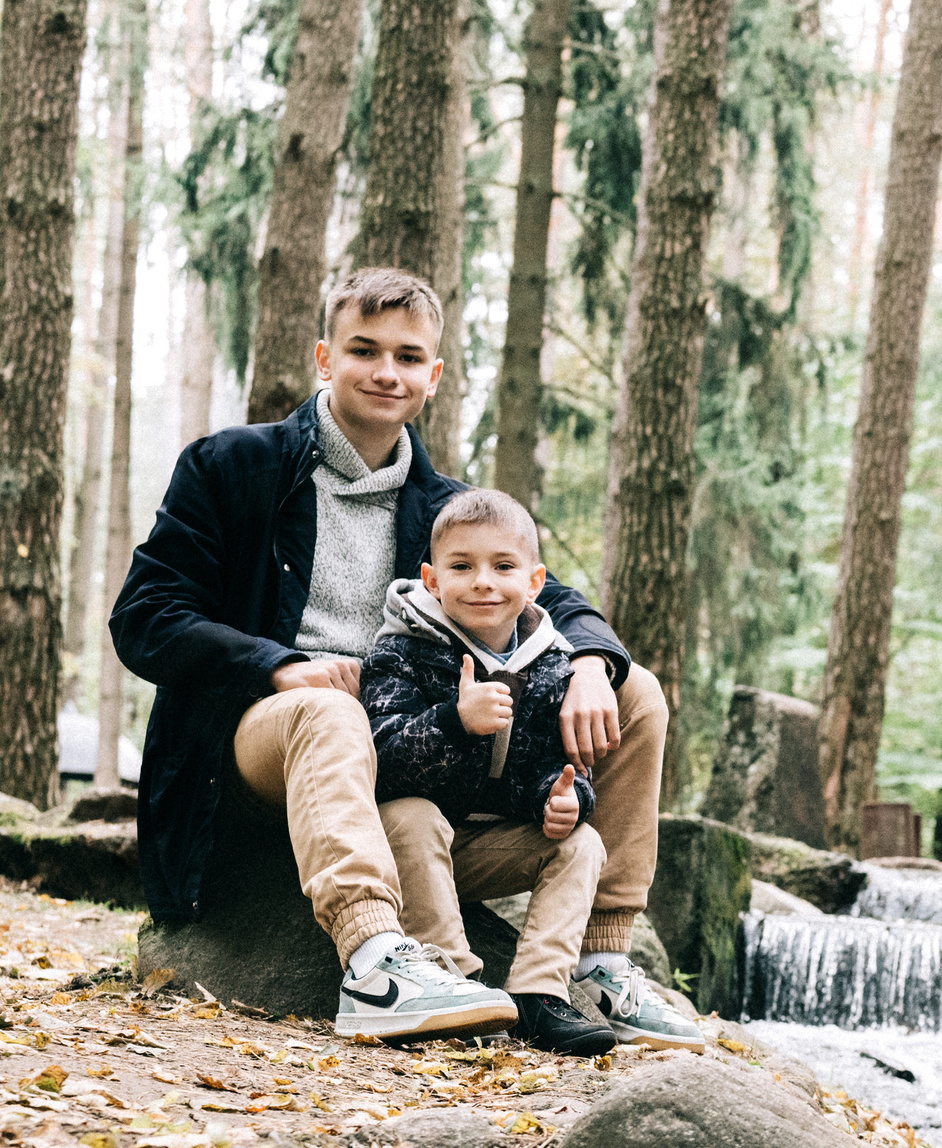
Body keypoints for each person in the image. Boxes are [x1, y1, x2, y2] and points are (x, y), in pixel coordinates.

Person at [111, 267, 700, 1049]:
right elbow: (145, 615)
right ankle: (375, 963)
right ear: (326, 358)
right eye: (365, 350)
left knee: (637, 691)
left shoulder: (444, 509)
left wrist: (592, 661)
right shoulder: (231, 467)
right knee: (331, 710)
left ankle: (599, 964)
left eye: (408, 356)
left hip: (413, 771)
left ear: (434, 376)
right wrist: (277, 665)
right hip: (265, 747)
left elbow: (549, 594)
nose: (387, 372)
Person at [361, 489, 629, 1055]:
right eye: (462, 567)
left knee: (582, 843)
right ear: (432, 580)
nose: (483, 582)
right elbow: (382, 762)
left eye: (503, 567)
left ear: (534, 582)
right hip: (407, 851)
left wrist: (561, 797)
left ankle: (538, 994)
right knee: (411, 815)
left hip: (482, 852)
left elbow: (554, 765)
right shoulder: (400, 652)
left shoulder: (551, 664)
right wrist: (455, 721)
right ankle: (453, 981)